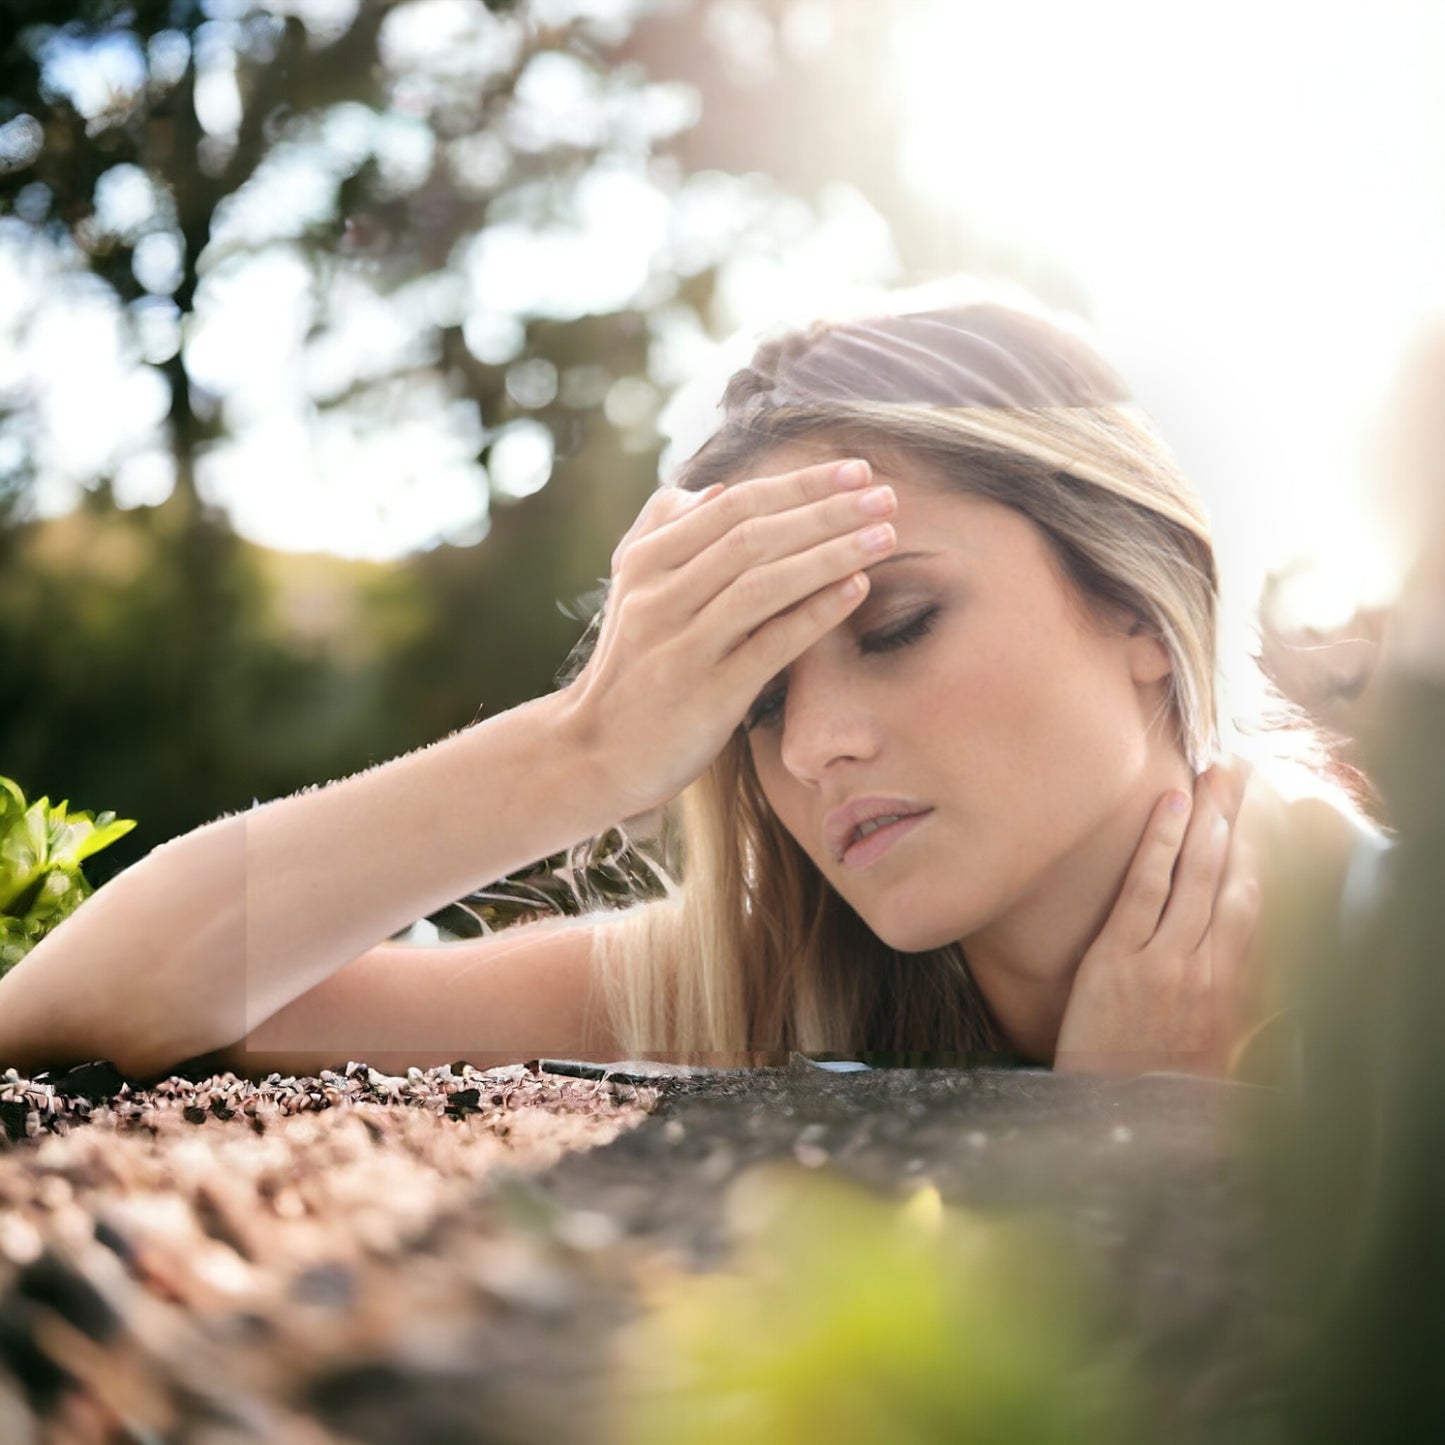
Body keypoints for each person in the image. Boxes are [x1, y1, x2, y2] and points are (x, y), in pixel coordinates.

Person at [0, 292, 1384, 1084]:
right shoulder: (765, 977)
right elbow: (94, 1008)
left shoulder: (1389, 953)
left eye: (894, 621)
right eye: (755, 702)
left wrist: (1135, 1139)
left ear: (1138, 605)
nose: (818, 747)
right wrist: (584, 748)